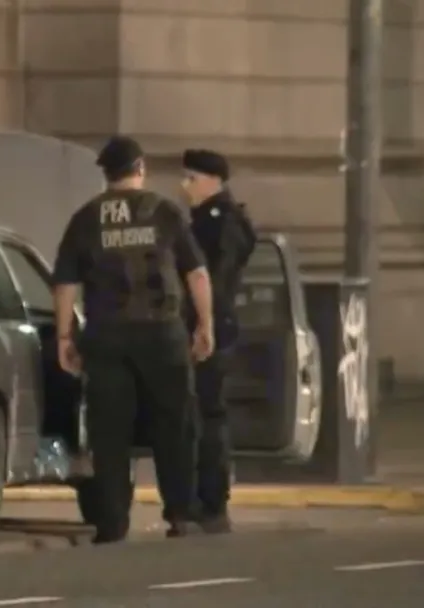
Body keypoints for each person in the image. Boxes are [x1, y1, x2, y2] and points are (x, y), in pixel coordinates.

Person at [52, 135, 215, 543]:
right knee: (174, 427)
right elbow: (196, 273)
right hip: (162, 334)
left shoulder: (86, 219)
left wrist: (64, 337)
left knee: (109, 433)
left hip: (107, 337)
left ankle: (112, 522)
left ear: (106, 174)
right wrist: (205, 325)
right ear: (139, 167)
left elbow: (66, 284)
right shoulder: (165, 213)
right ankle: (179, 514)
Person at [179, 149, 257, 533]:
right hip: (203, 325)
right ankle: (199, 500)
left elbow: (218, 279)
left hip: (209, 328)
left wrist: (203, 323)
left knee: (208, 414)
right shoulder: (207, 220)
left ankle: (211, 503)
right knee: (198, 414)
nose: (184, 187)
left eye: (191, 179)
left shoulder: (221, 222)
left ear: (213, 180)